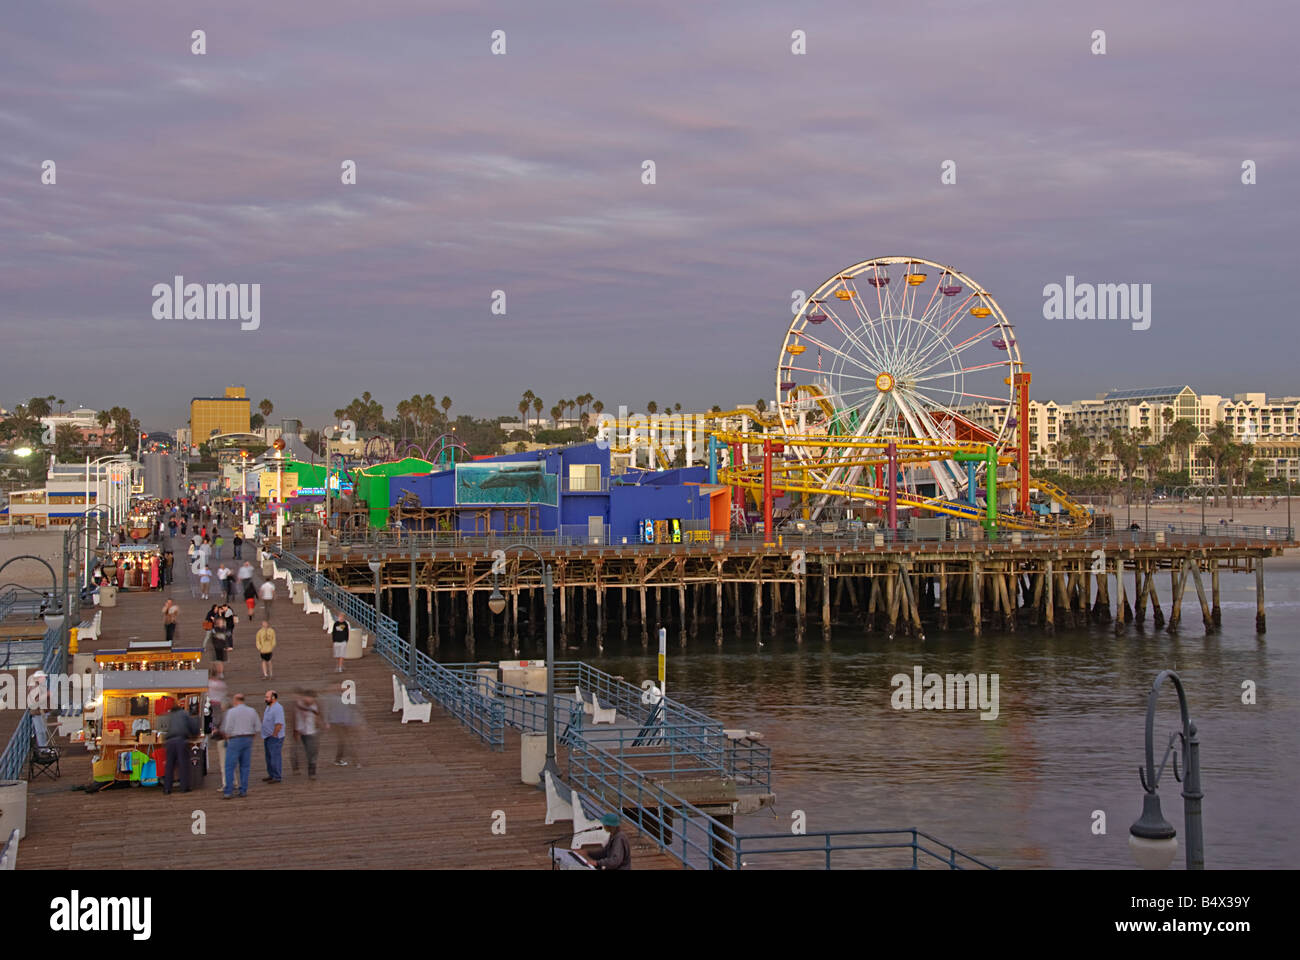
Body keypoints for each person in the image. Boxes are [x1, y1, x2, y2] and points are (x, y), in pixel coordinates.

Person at [220, 693, 259, 798]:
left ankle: (228, 791)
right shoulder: (252, 711)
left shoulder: (232, 712)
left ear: (236, 700)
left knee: (229, 766)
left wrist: (227, 737)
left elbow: (227, 728)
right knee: (245, 766)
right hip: (248, 738)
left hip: (235, 739)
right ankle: (243, 790)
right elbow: (257, 727)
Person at [161, 701, 198, 794]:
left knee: (169, 765)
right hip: (181, 740)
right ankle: (184, 787)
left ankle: (167, 788)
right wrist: (194, 733)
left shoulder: (168, 715)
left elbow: (163, 729)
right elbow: (193, 726)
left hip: (169, 742)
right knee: (183, 764)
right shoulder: (184, 713)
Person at [292, 690, 323, 779]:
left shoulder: (315, 705)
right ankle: (296, 766)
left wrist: (320, 725)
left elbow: (319, 716)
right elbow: (295, 718)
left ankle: (312, 772)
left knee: (312, 752)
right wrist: (295, 730)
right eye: (309, 698)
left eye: (313, 698)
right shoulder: (298, 705)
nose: (311, 700)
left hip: (312, 732)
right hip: (301, 732)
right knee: (300, 750)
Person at [327, 688, 360, 767]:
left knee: (344, 742)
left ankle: (339, 759)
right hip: (338, 723)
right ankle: (356, 761)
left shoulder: (347, 699)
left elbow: (353, 710)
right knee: (346, 741)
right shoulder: (335, 699)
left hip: (345, 723)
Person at [261, 690, 285, 784]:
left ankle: (277, 776)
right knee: (269, 757)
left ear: (273, 698)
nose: (265, 699)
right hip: (267, 736)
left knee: (275, 756)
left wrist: (275, 734)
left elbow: (279, 723)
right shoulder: (268, 707)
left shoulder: (278, 708)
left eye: (267, 697)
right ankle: (271, 774)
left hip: (275, 737)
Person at [210, 610, 230, 679]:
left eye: (222, 622)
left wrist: (227, 646)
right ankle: (217, 672)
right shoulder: (214, 630)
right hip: (216, 647)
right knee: (216, 661)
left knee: (220, 661)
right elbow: (212, 638)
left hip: (222, 648)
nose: (221, 623)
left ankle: (220, 673)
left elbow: (228, 638)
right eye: (220, 622)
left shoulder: (225, 630)